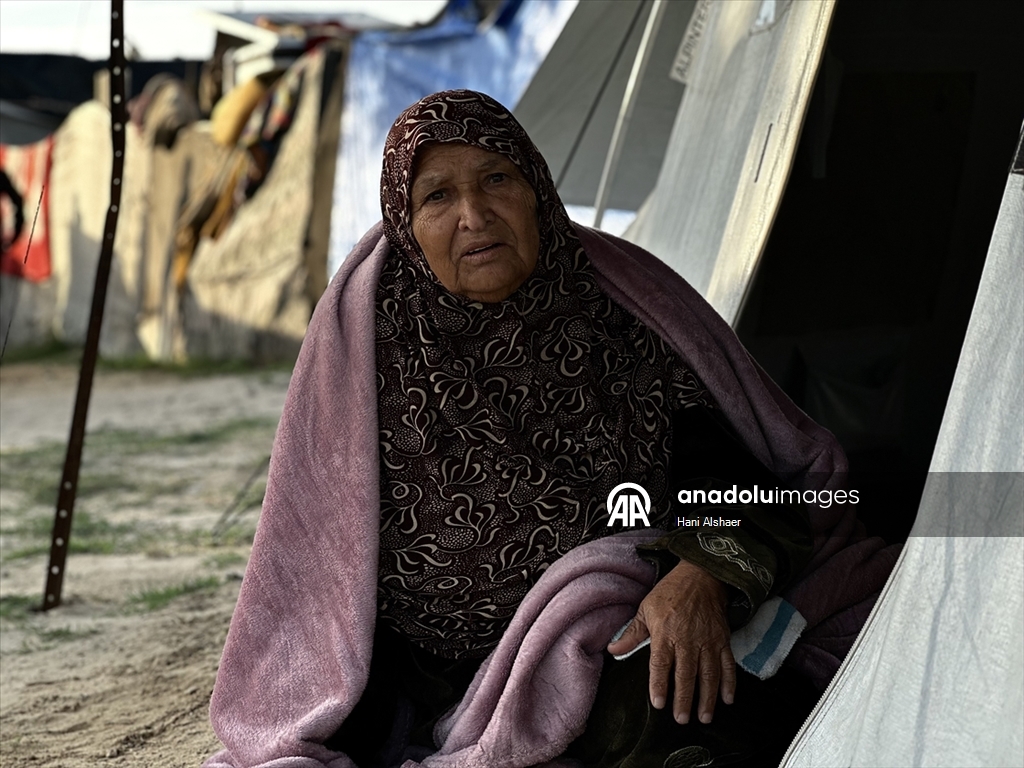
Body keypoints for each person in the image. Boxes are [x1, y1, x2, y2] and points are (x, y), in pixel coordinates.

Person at [205, 90, 897, 768]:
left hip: (616, 615)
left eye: (497, 179)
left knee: (696, 702)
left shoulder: (618, 312)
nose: (474, 215)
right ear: (404, 223)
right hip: (432, 672)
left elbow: (732, 472)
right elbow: (315, 567)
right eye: (438, 197)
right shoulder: (366, 350)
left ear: (536, 188)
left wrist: (702, 572)